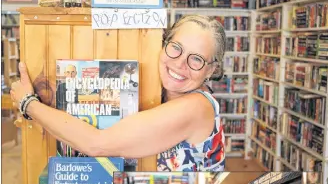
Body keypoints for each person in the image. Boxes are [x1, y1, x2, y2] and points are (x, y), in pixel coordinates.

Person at [10, 14, 227, 172]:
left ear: (211, 69)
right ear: (163, 44)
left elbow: (97, 143)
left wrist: (28, 103)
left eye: (196, 59)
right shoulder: (160, 93)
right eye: (176, 47)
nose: (180, 63)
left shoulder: (196, 107)